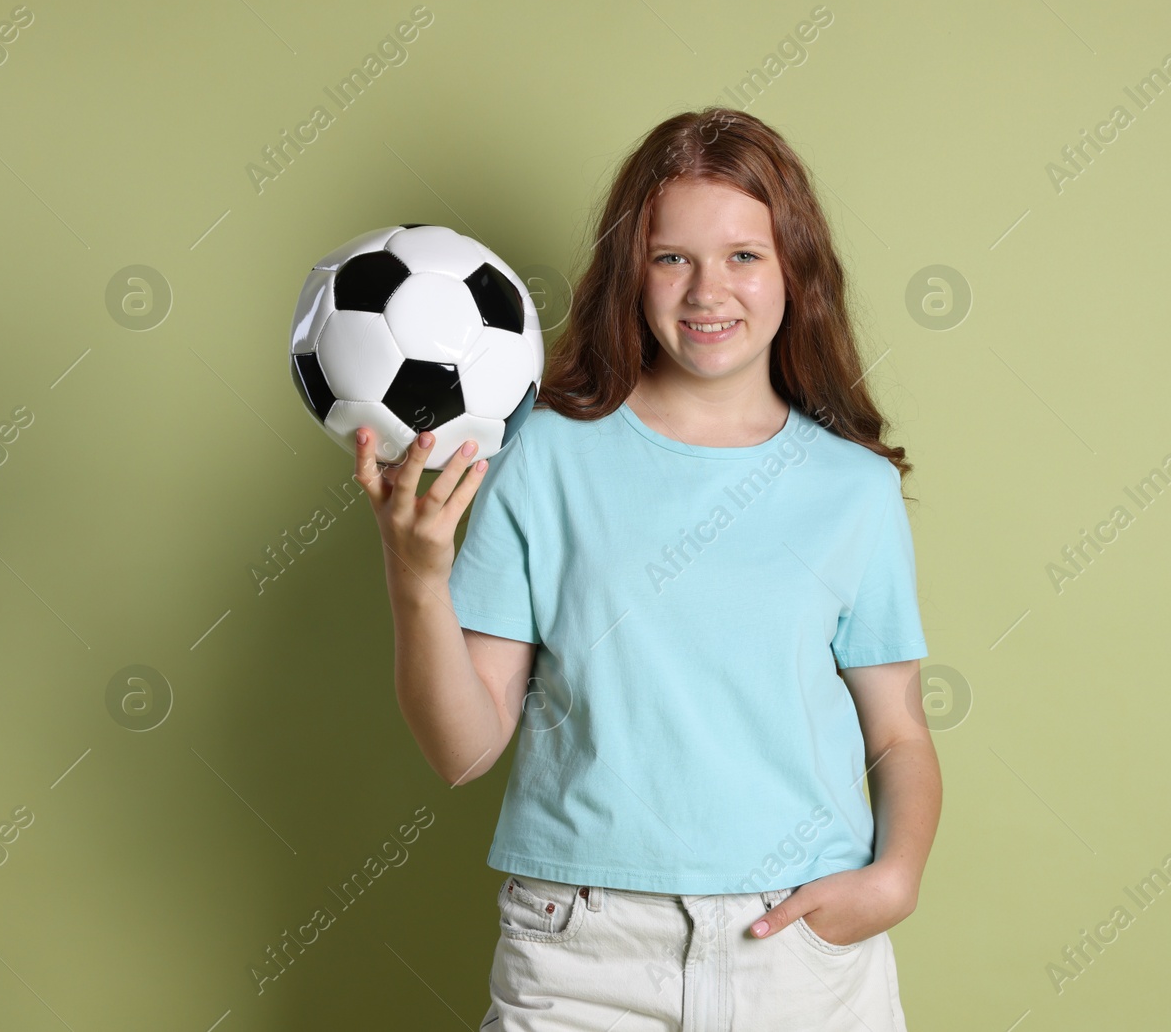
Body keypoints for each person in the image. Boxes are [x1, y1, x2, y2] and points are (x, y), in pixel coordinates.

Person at [354, 107, 940, 1031]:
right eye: (673, 258)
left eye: (745, 255)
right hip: (582, 954)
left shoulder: (852, 489)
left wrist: (894, 878)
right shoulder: (543, 456)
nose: (709, 290)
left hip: (798, 951)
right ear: (632, 272)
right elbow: (461, 751)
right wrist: (416, 576)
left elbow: (900, 736)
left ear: (797, 269)